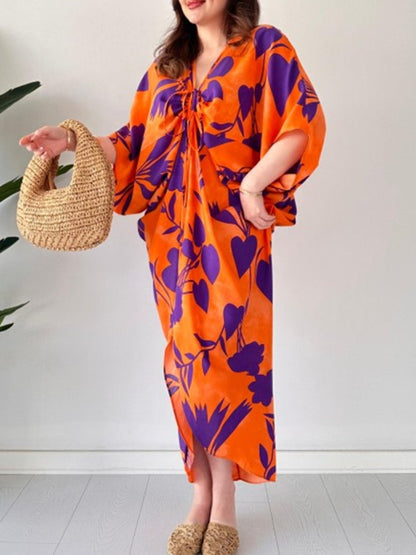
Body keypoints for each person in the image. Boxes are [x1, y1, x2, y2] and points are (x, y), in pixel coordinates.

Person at [19, 1, 326, 553]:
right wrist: (72, 141)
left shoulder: (265, 49)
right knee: (184, 367)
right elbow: (133, 143)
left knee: (226, 364)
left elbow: (301, 124)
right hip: (170, 239)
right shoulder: (166, 67)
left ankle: (223, 502)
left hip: (232, 236)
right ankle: (201, 493)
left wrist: (253, 184)